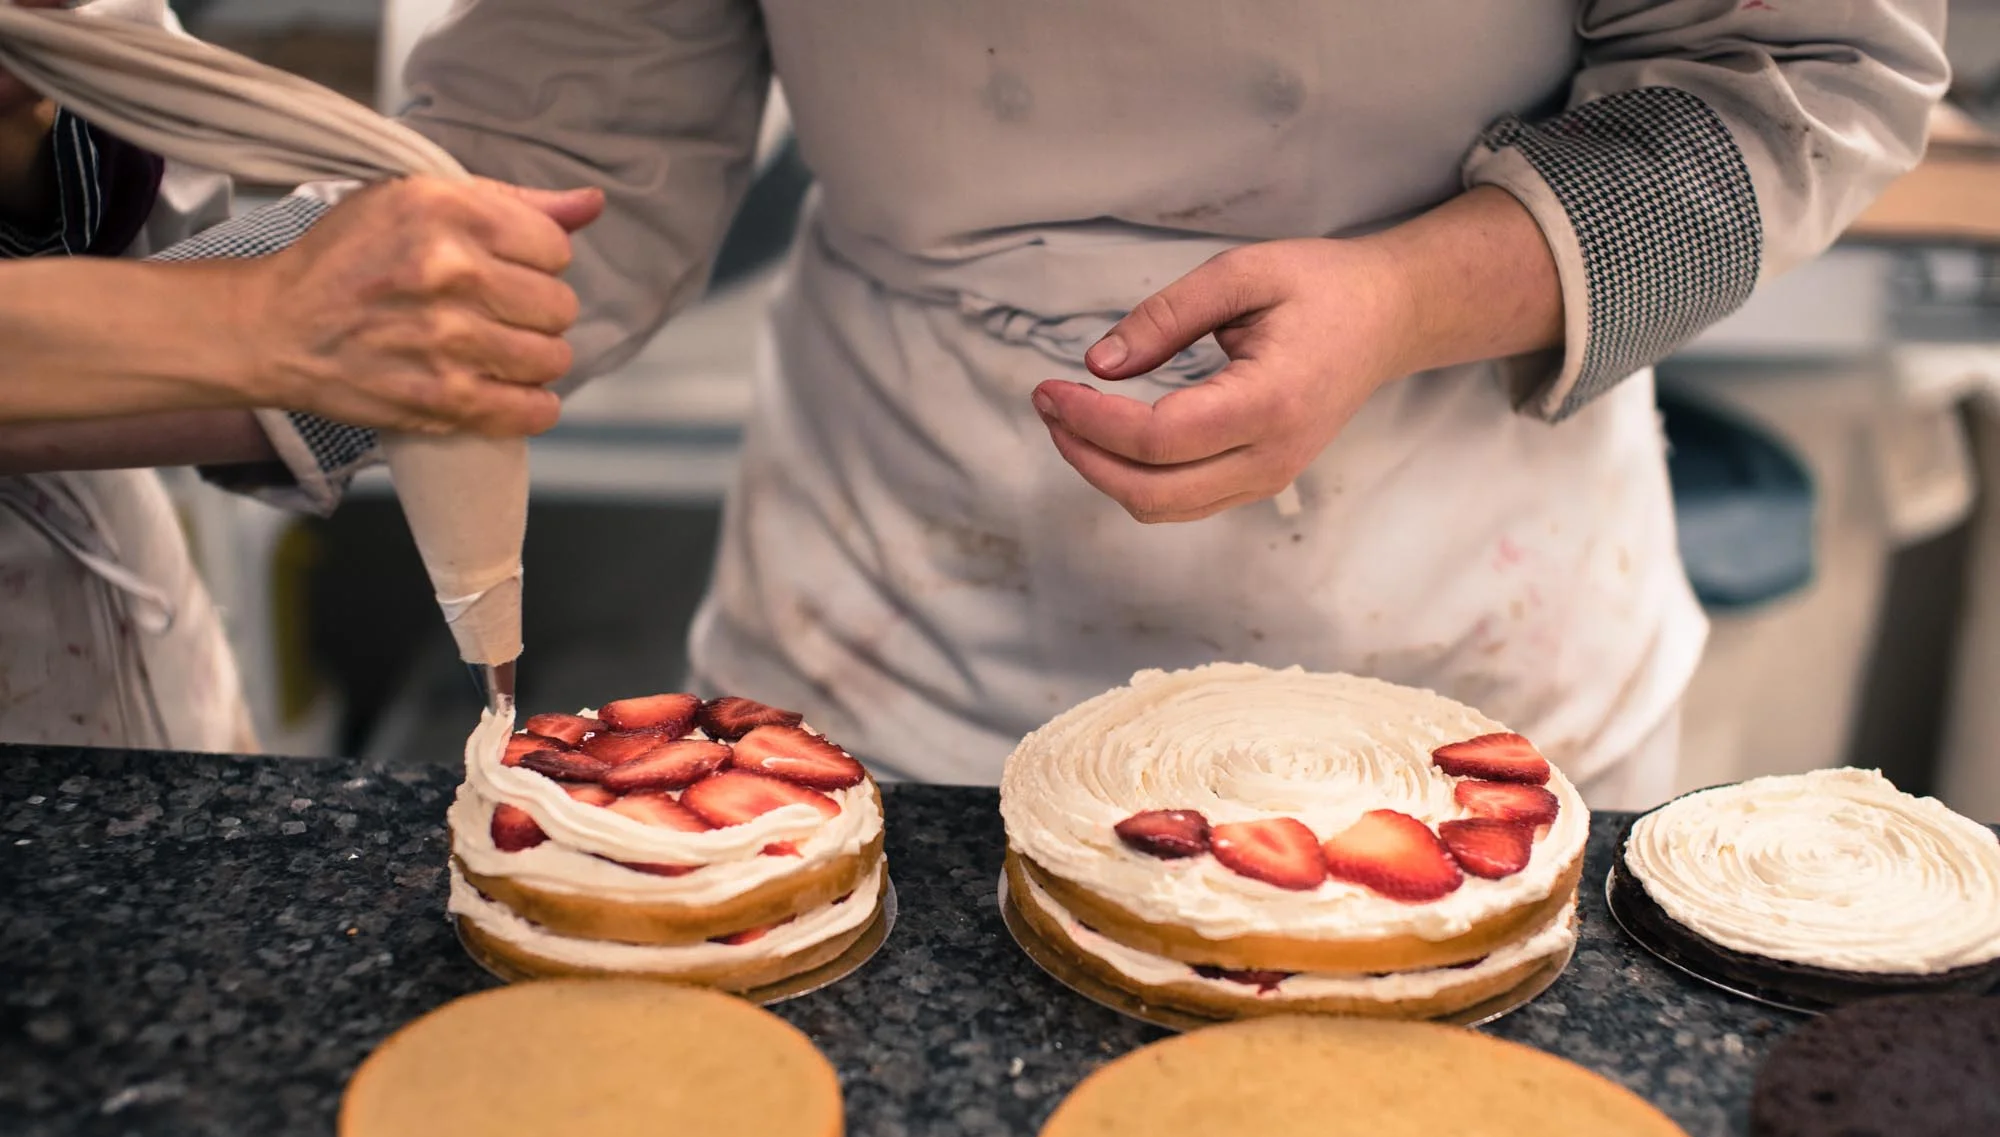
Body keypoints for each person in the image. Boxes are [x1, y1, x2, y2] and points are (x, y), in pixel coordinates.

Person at [45, 1, 1952, 807]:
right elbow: (556, 147)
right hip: (901, 640)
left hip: (1458, 639)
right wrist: (206, 341)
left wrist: (1404, 297)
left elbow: (1797, 76)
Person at [0, 0, 598, 749]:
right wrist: (251, 316)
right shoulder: (258, 319)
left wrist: (30, 141)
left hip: (97, 636)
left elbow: (157, 203)